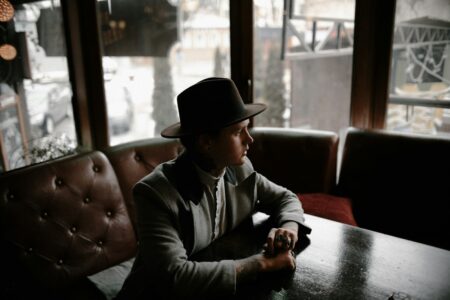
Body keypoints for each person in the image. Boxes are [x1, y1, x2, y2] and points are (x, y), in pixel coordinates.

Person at [116, 77, 311, 299]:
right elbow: (175, 277)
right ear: (206, 142)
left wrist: (288, 228)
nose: (250, 140)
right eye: (238, 132)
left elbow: (286, 198)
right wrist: (262, 264)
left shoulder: (239, 168)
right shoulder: (154, 194)